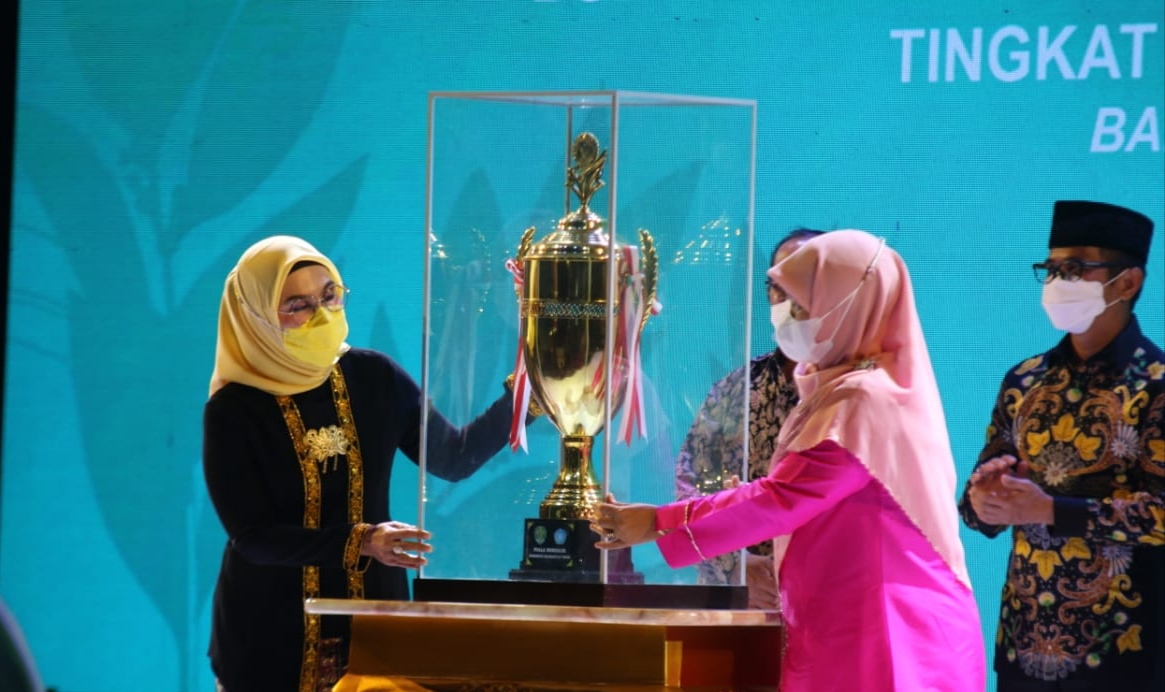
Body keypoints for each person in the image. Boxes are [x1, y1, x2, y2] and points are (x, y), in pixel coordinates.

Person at [593, 230, 985, 691]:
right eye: (781, 300)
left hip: (890, 632)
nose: (786, 316)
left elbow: (780, 499)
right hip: (852, 621)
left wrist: (659, 523)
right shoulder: (843, 388)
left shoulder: (865, 400)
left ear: (850, 305)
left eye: (802, 305)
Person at [203, 236, 516, 692]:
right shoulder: (235, 409)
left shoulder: (374, 377)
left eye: (329, 295)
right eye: (298, 305)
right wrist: (363, 541)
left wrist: (528, 395)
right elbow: (253, 537)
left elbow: (453, 457)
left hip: (372, 620)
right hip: (270, 630)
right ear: (256, 317)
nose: (322, 313)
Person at [959, 200, 1164, 692]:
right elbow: (975, 507)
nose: (1057, 282)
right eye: (1050, 270)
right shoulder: (1024, 380)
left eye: (1074, 270)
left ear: (1128, 283)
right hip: (1025, 645)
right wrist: (984, 499)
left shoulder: (1155, 384)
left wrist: (1052, 510)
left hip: (1125, 649)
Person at [674, 228, 823, 609]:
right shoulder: (736, 390)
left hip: (831, 605)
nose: (789, 300)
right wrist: (736, 564)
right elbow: (691, 487)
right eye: (778, 287)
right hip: (741, 609)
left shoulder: (858, 394)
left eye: (803, 283)